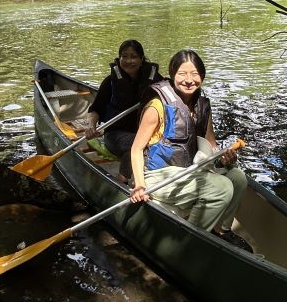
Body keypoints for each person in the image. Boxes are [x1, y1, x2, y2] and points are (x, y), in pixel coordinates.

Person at [129, 49, 251, 250]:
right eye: (182, 74)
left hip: (188, 171)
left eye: (194, 74)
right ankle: (189, 242)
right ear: (172, 74)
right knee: (220, 187)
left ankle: (221, 230)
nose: (189, 80)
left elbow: (211, 147)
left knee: (237, 177)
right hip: (157, 176)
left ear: (202, 76)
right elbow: (136, 149)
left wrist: (223, 158)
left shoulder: (202, 106)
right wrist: (140, 186)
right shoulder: (157, 106)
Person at [85, 40, 162, 185]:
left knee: (150, 142)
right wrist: (91, 126)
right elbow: (95, 109)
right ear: (119, 58)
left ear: (141, 59)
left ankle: (126, 178)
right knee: (140, 143)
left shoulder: (155, 80)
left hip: (146, 132)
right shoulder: (110, 82)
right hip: (115, 134)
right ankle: (124, 181)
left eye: (133, 57)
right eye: (124, 56)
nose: (128, 61)